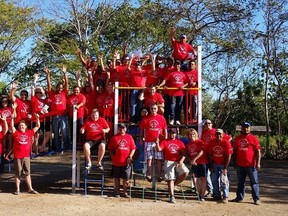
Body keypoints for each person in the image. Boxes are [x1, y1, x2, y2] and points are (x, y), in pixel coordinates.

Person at [155, 128, 189, 203]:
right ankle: (172, 196)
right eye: (171, 133)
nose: (172, 134)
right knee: (170, 178)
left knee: (185, 172)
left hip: (177, 161)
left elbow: (184, 154)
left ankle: (172, 186)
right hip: (168, 161)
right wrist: (157, 143)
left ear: (176, 134)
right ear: (169, 133)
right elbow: (158, 149)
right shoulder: (165, 141)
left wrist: (181, 161)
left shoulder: (179, 142)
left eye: (174, 133)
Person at [232, 122, 261, 205]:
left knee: (254, 182)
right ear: (241, 128)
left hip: (251, 165)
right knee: (240, 182)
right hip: (240, 164)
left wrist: (258, 163)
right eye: (244, 127)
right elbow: (235, 151)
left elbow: (258, 151)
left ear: (250, 128)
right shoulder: (237, 138)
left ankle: (256, 198)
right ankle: (239, 197)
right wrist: (234, 162)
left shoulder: (254, 138)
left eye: (247, 127)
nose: (246, 129)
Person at [11, 111, 40, 195]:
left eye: (22, 125)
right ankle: (17, 190)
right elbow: (12, 126)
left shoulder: (29, 132)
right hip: (18, 156)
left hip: (26, 156)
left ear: (26, 126)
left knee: (27, 173)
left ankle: (30, 189)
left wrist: (37, 118)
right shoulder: (16, 133)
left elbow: (37, 126)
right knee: (18, 173)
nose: (21, 126)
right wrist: (12, 118)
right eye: (20, 125)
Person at [139, 104, 167, 182]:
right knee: (149, 158)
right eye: (151, 108)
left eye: (155, 108)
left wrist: (166, 138)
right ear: (150, 109)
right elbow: (141, 129)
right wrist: (141, 138)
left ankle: (159, 175)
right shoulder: (146, 118)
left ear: (157, 109)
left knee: (159, 159)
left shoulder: (161, 118)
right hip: (148, 141)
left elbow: (165, 129)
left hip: (158, 141)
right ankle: (149, 174)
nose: (153, 110)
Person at [44, 66, 69, 151]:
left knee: (64, 132)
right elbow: (49, 85)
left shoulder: (64, 93)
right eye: (58, 88)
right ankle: (57, 148)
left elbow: (67, 84)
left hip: (63, 116)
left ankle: (66, 147)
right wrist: (48, 75)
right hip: (55, 116)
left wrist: (65, 73)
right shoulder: (52, 93)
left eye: (61, 88)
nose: (60, 89)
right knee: (56, 133)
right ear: (56, 88)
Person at [108, 123, 136, 198]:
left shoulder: (129, 137)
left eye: (123, 128)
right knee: (116, 178)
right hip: (116, 161)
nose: (122, 130)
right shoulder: (114, 138)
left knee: (126, 178)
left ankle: (125, 192)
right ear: (118, 129)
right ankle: (117, 192)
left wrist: (130, 156)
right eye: (120, 128)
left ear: (126, 129)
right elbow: (110, 149)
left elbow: (133, 148)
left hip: (126, 162)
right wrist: (112, 157)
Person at [157, 60, 188, 125]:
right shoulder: (171, 73)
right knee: (172, 106)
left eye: (178, 64)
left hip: (180, 93)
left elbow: (187, 83)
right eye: (176, 64)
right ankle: (172, 119)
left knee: (179, 106)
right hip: (172, 93)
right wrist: (159, 85)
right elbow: (164, 81)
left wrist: (183, 86)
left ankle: (177, 119)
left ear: (180, 66)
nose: (177, 66)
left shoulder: (183, 73)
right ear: (174, 65)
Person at [207, 128, 233, 203]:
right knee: (214, 179)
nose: (218, 135)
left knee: (224, 180)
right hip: (215, 163)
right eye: (217, 134)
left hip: (223, 163)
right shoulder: (212, 142)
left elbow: (229, 155)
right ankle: (216, 194)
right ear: (215, 135)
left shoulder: (226, 143)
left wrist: (225, 167)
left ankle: (225, 195)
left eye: (220, 134)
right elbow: (209, 154)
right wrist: (211, 166)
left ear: (222, 135)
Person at [30, 74, 52, 153]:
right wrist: (35, 80)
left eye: (40, 92)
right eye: (38, 92)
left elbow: (47, 108)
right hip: (36, 120)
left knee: (48, 134)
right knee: (36, 136)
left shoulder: (44, 101)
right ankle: (35, 151)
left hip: (43, 120)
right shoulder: (34, 99)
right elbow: (32, 88)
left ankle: (41, 148)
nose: (39, 93)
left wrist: (46, 111)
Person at [186, 128, 208, 201]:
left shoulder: (200, 142)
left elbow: (202, 152)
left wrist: (194, 159)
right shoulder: (188, 144)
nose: (192, 135)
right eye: (190, 134)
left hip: (202, 162)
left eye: (193, 134)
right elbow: (188, 155)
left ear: (196, 135)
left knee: (203, 178)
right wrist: (191, 161)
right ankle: (199, 194)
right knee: (197, 179)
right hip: (195, 164)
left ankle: (202, 194)